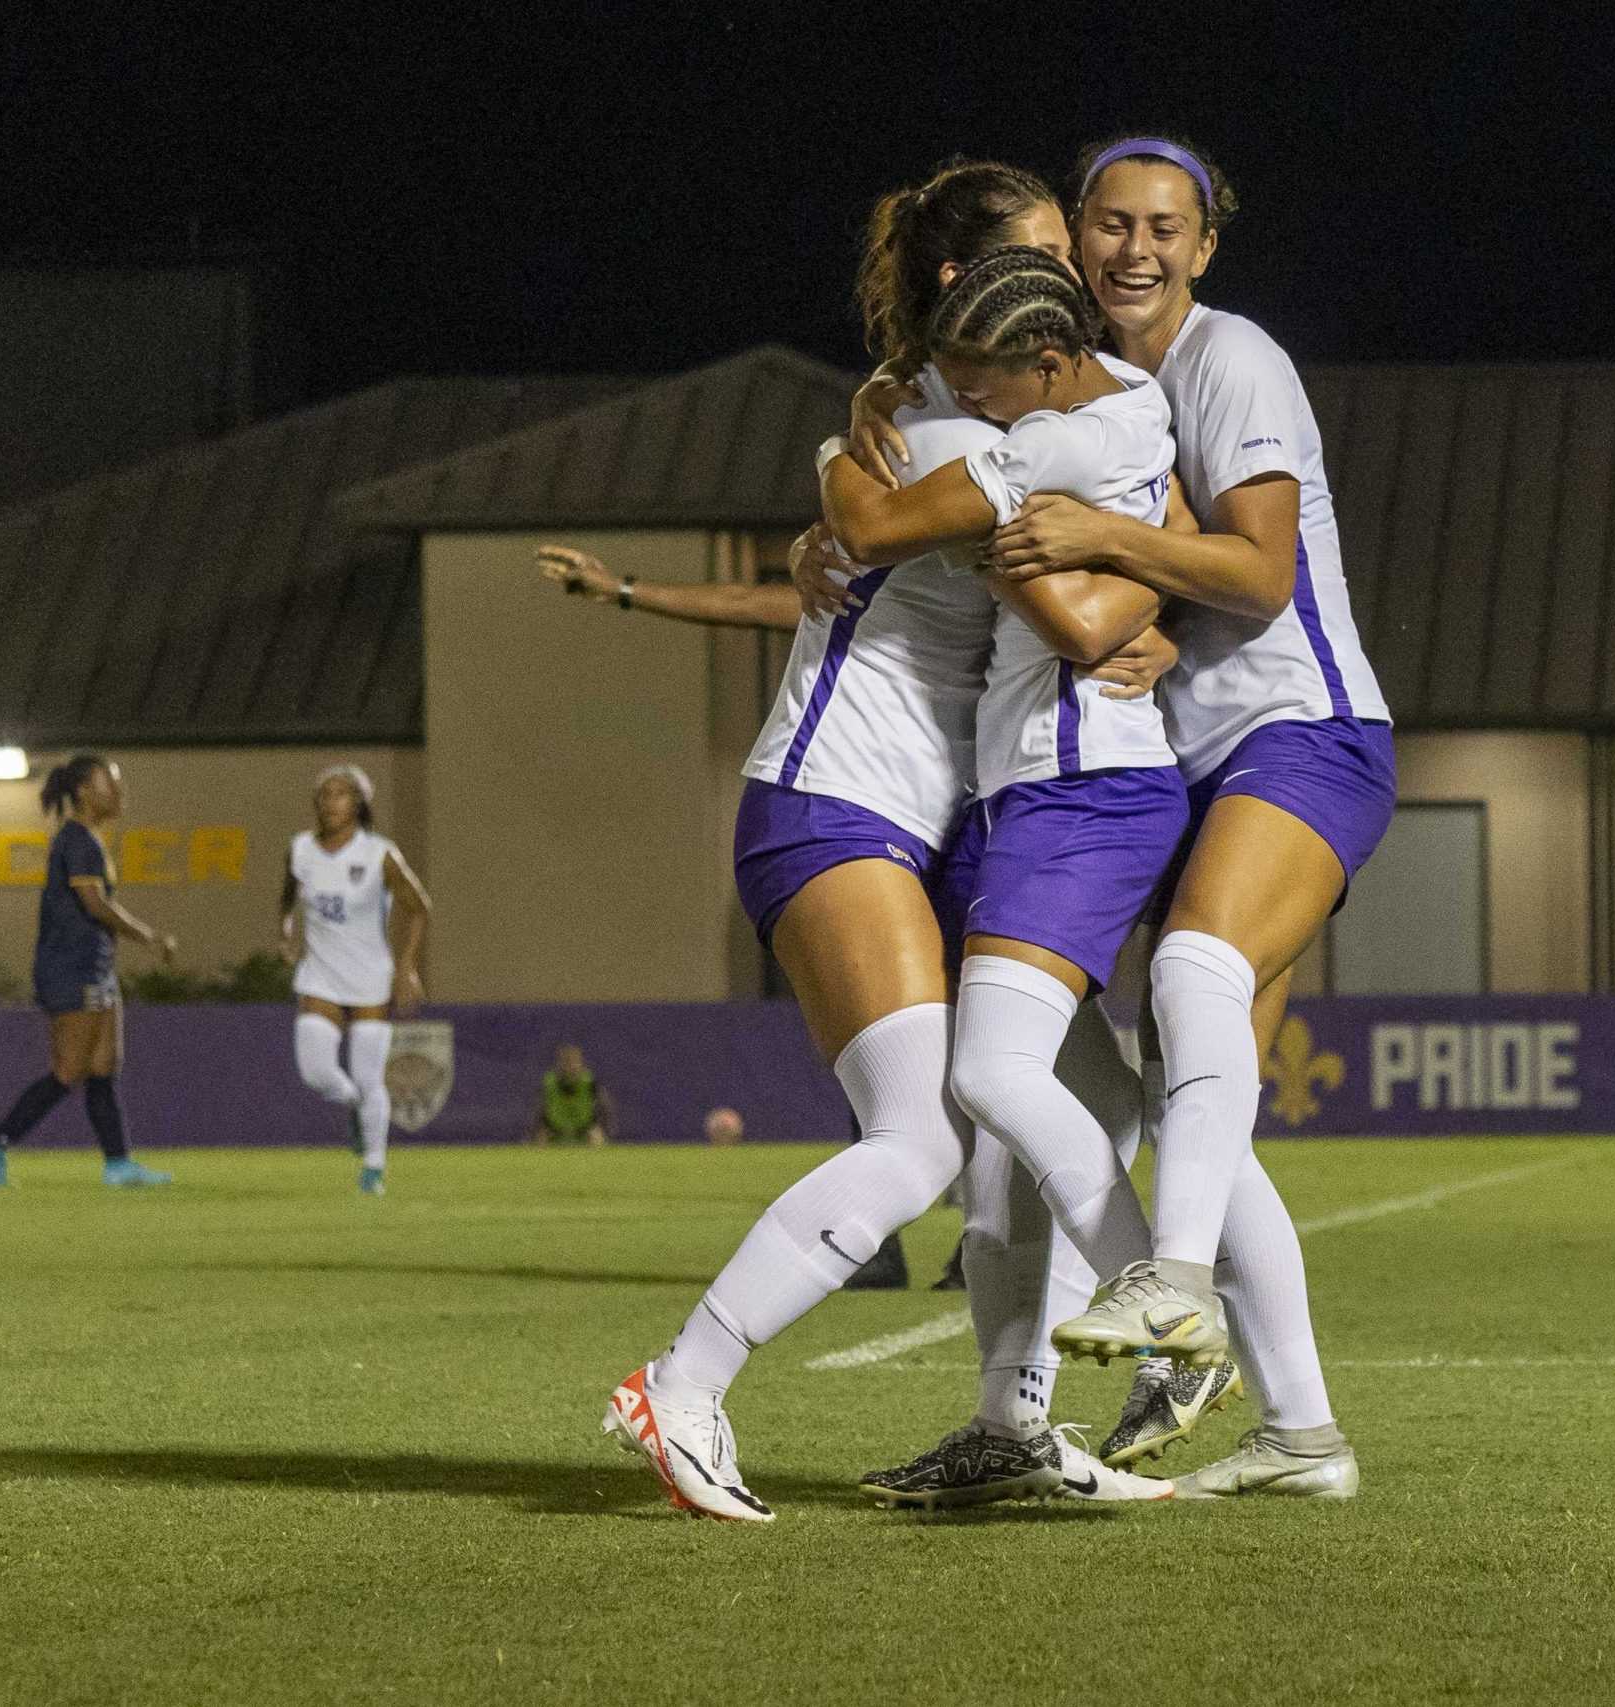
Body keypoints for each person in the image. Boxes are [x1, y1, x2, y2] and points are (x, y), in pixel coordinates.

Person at [585, 160, 1178, 1521]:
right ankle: (682, 1380)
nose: (1076, 275)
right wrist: (1142, 612)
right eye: (1045, 249)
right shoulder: (952, 430)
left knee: (1069, 1106)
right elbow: (906, 520)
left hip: (933, 819)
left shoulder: (966, 408)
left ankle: (1010, 1419)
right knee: (921, 1138)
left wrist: (1162, 614)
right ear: (976, 284)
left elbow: (1134, 527)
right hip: (838, 798)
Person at [852, 135, 1383, 1500]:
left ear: (1206, 246)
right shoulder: (1089, 386)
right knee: (1186, 1106)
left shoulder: (1227, 363)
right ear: (1073, 242)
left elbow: (1258, 575)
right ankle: (1301, 1430)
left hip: (1296, 729)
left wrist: (1104, 554)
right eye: (1111, 223)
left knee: (1185, 983)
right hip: (1177, 765)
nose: (1135, 247)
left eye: (1167, 226)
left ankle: (1176, 1294)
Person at [820, 245, 1201, 1503]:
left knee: (987, 1079)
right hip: (1037, 797)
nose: (966, 403)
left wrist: (840, 441)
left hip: (1080, 791)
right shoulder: (1121, 408)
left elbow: (872, 524)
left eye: (984, 385)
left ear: (1047, 367)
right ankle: (1010, 1426)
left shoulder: (1053, 448)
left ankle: (1173, 1319)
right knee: (1027, 1152)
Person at [0, 754, 178, 1188]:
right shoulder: (77, 840)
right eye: (109, 784)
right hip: (70, 968)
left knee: (105, 1063)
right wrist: (149, 937)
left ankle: (118, 1164)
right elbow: (94, 904)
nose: (118, 793)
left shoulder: (89, 840)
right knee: (70, 1069)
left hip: (94, 966)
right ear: (83, 791)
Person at [280, 764, 431, 1195]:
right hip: (320, 976)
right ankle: (352, 1106)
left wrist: (407, 968)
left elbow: (419, 907)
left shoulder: (378, 854)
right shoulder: (302, 850)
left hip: (369, 977)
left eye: (342, 794)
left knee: (369, 1076)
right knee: (316, 1071)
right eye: (325, 794)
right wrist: (286, 932)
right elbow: (288, 899)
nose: (331, 802)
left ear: (360, 803)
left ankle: (373, 1168)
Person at [532, 1043, 615, 1146]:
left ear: (581, 1063)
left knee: (597, 1137)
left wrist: (605, 1129)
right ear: (559, 1063)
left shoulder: (589, 1082)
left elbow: (604, 1106)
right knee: (540, 1140)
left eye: (574, 1062)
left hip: (585, 1128)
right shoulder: (550, 1082)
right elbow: (539, 1108)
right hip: (554, 1128)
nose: (570, 1066)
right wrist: (536, 1131)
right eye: (566, 1062)